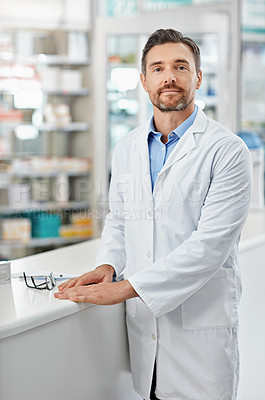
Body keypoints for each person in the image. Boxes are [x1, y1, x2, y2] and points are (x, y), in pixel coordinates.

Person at [55, 29, 252, 400]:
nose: (170, 77)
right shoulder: (127, 147)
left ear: (197, 78)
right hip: (145, 333)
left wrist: (125, 289)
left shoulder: (227, 151)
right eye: (158, 68)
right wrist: (108, 265)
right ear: (144, 81)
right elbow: (119, 219)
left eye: (181, 67)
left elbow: (210, 247)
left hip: (200, 334)